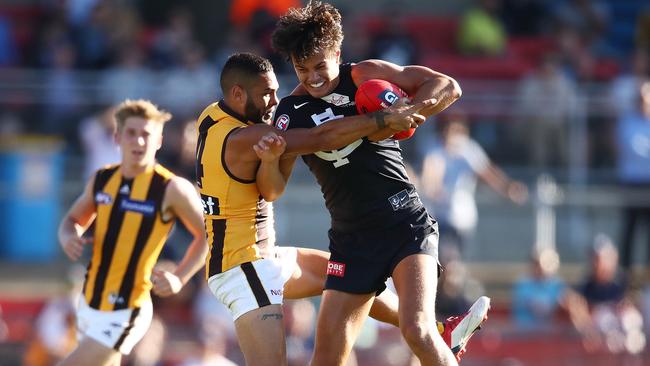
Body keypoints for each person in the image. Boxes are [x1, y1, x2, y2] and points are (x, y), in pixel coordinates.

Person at [269, 2, 489, 365]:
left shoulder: (362, 75)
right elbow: (305, 155)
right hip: (351, 240)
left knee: (416, 329)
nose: (313, 77)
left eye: (320, 65)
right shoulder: (290, 112)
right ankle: (445, 337)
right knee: (325, 359)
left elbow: (448, 86)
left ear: (337, 54)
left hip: (403, 221)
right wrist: (382, 120)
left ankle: (439, 337)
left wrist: (413, 109)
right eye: (301, 68)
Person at [196, 51, 429, 366]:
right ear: (237, 94)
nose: (275, 101)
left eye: (276, 90)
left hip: (265, 255)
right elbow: (322, 137)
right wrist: (382, 119)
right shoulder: (252, 136)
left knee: (348, 276)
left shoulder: (210, 115)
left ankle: (436, 331)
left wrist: (268, 161)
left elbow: (272, 190)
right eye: (266, 93)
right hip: (244, 268)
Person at [57, 99, 209, 366]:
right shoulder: (102, 179)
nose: (139, 142)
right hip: (90, 302)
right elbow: (71, 220)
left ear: (159, 140)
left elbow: (207, 235)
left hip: (128, 307)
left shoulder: (171, 188)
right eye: (131, 133)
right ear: (117, 137)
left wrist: (180, 277)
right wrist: (69, 236)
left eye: (146, 135)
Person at [420, 112, 528, 252]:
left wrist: (507, 188)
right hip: (438, 215)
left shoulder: (468, 149)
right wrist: (432, 187)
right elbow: (431, 170)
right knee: (441, 259)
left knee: (455, 261)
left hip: (462, 216)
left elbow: (487, 173)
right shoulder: (434, 147)